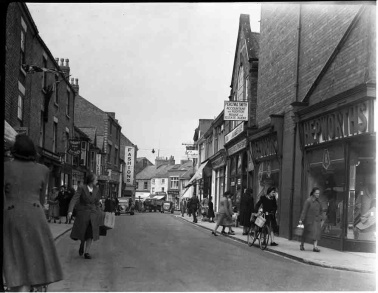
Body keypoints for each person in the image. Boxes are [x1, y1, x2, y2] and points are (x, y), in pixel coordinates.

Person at [3, 134, 63, 291]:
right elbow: (42, 199)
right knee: (35, 256)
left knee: (15, 256)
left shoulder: (6, 167)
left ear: (14, 150)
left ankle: (18, 287)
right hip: (36, 217)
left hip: (12, 215)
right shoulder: (43, 170)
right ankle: (36, 286)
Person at [67, 173, 102, 259]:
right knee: (83, 232)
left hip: (93, 214)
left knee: (90, 234)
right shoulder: (82, 188)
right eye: (96, 179)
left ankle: (87, 252)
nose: (97, 181)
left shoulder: (96, 189)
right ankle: (82, 243)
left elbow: (97, 203)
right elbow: (74, 199)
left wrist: (100, 212)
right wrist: (70, 211)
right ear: (91, 180)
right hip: (83, 214)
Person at [299, 187, 323, 252]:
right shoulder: (308, 201)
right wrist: (301, 219)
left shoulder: (319, 202)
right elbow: (304, 210)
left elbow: (321, 210)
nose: (318, 194)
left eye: (318, 193)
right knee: (305, 233)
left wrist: (321, 217)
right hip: (309, 220)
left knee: (316, 233)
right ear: (313, 193)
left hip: (316, 220)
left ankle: (315, 247)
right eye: (316, 193)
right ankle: (302, 244)